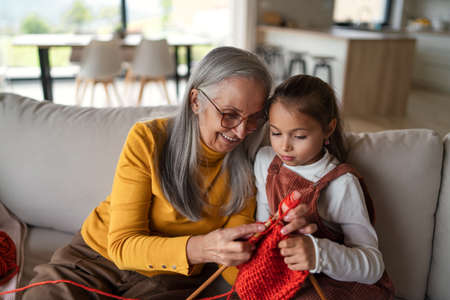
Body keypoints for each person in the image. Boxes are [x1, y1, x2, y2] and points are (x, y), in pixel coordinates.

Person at [22, 47, 317, 300]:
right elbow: (123, 246)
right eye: (229, 115)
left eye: (254, 118)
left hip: (172, 278)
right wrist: (203, 248)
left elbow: (232, 268)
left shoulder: (257, 158)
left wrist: (274, 241)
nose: (241, 131)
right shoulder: (148, 139)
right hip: (96, 259)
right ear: (195, 101)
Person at [254, 75, 395, 299]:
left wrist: (318, 253)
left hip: (333, 285)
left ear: (328, 129)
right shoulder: (265, 161)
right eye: (276, 133)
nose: (284, 146)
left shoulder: (341, 184)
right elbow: (262, 224)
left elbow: (373, 266)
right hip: (282, 278)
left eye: (300, 136)